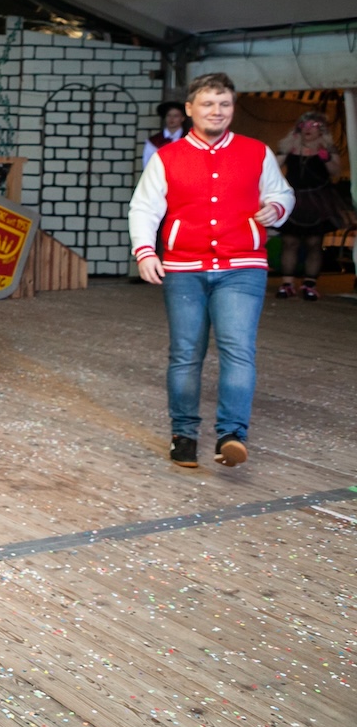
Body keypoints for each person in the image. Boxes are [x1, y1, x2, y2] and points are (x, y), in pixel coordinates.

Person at [129, 72, 293, 470]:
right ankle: (183, 434)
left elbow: (282, 193)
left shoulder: (256, 152)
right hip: (184, 267)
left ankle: (231, 436)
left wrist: (275, 208)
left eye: (224, 104)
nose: (216, 111)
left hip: (242, 265)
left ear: (233, 108)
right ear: (190, 109)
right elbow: (144, 207)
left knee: (238, 349)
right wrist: (145, 251)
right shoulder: (168, 157)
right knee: (186, 353)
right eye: (207, 104)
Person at [275, 111, 344, 300]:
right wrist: (285, 152)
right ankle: (287, 283)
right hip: (294, 198)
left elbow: (335, 172)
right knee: (289, 241)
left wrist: (326, 158)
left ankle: (309, 284)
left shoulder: (328, 148)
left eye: (313, 126)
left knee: (314, 242)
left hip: (318, 199)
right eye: (304, 126)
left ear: (321, 130)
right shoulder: (289, 146)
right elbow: (273, 167)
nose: (308, 129)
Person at [142, 101, 187, 167]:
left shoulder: (189, 139)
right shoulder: (154, 142)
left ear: (183, 118)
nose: (171, 119)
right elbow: (147, 165)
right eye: (169, 115)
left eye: (176, 116)